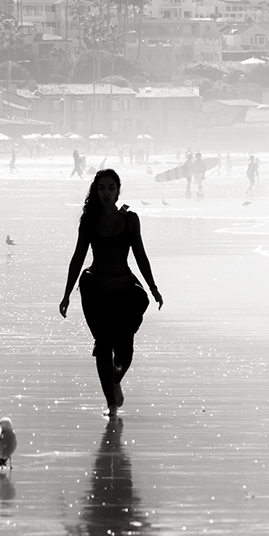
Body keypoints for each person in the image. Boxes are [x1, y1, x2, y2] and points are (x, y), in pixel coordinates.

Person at [60, 170, 163, 414]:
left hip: (125, 290)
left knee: (125, 351)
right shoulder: (89, 220)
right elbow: (78, 257)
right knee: (104, 345)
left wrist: (153, 287)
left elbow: (140, 255)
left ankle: (115, 380)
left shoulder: (130, 219)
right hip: (97, 289)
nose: (106, 193)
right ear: (96, 191)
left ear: (118, 190)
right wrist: (66, 294)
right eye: (101, 188)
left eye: (111, 188)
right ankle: (111, 403)